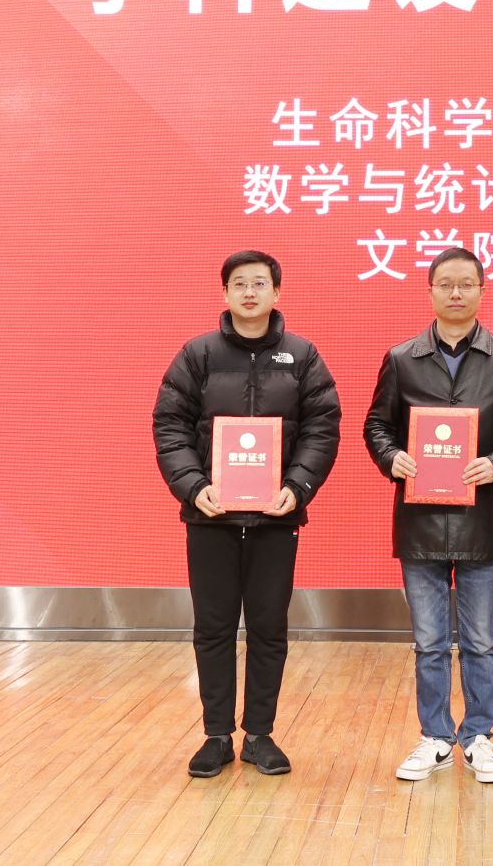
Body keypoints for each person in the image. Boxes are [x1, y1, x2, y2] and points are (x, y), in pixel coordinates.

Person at [154, 249, 340, 778]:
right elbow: (170, 425)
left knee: (268, 628)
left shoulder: (302, 356)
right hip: (209, 517)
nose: (250, 292)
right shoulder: (198, 354)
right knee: (213, 628)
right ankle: (216, 735)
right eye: (240, 283)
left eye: (260, 283)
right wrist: (193, 487)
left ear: (277, 292)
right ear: (226, 293)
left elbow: (322, 428)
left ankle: (260, 734)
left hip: (275, 518)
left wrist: (297, 487)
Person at [364, 246, 493, 784]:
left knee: (481, 642)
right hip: (419, 524)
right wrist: (391, 457)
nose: (457, 292)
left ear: (483, 290)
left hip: (482, 521)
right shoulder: (401, 358)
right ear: (431, 292)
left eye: (467, 283)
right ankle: (436, 737)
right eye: (446, 284)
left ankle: (479, 736)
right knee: (429, 643)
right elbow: (377, 425)